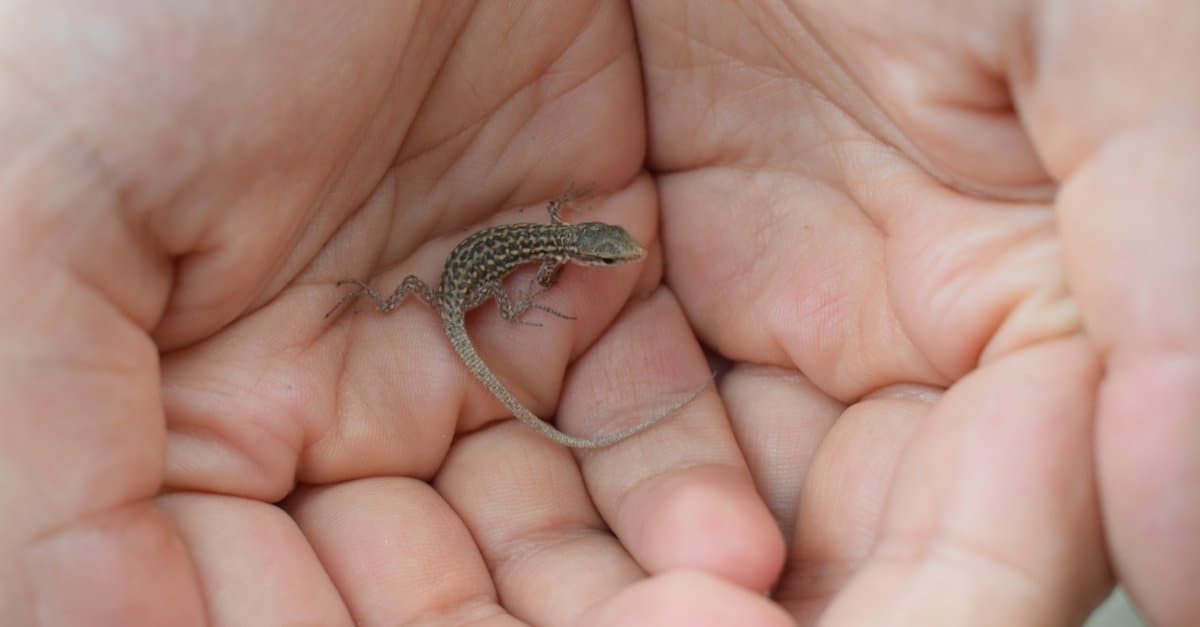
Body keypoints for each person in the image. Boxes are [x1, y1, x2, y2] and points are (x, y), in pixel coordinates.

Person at [2, 3, 1194, 625]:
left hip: (446, 282)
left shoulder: (561, 253)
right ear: (587, 250)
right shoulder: (544, 266)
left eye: (604, 251)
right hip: (441, 288)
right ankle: (416, 329)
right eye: (605, 252)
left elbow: (544, 260)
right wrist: (504, 303)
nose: (613, 258)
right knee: (424, 303)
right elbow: (517, 277)